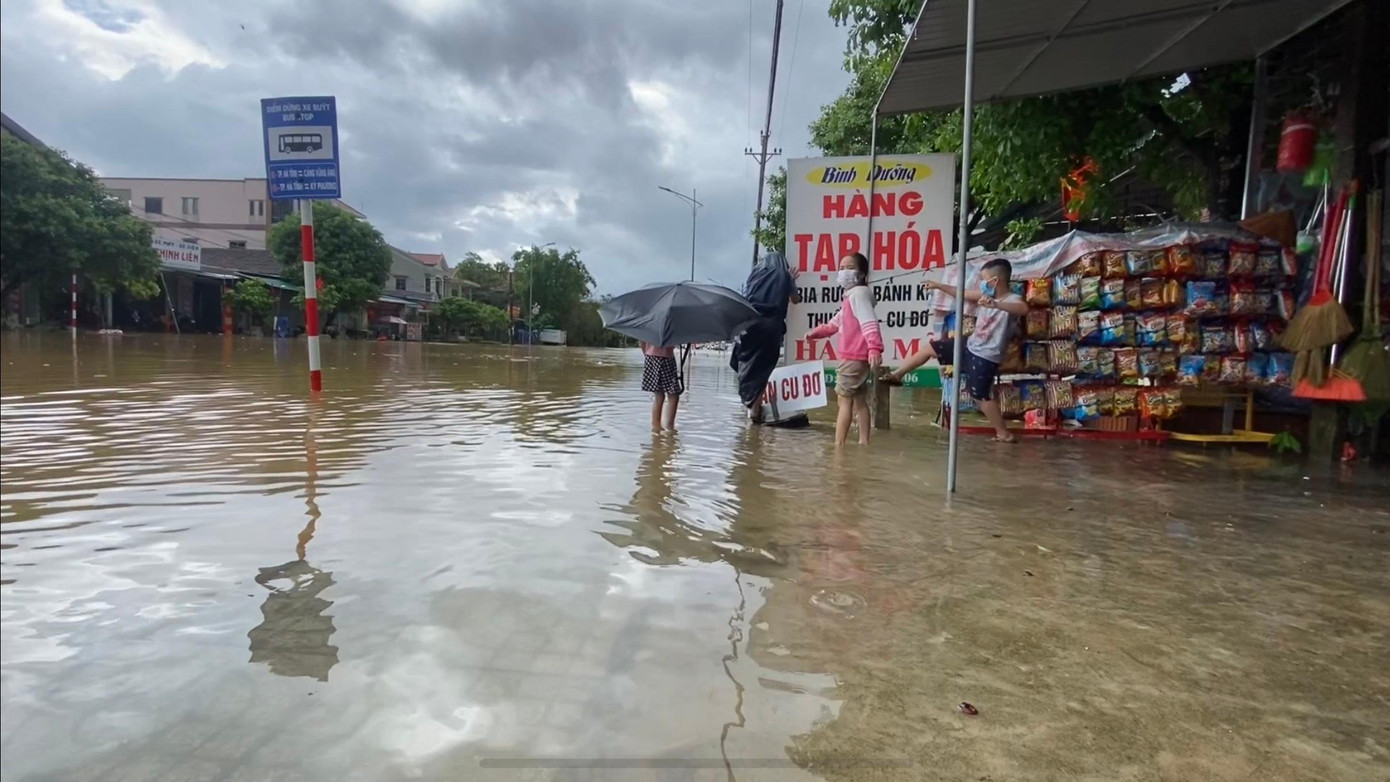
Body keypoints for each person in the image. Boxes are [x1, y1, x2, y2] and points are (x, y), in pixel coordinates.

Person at [885, 258, 1027, 442]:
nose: (982, 284)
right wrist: (938, 286)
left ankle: (1004, 433)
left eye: (984, 280)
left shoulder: (1012, 300)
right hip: (969, 345)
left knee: (980, 396)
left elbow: (1023, 309)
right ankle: (897, 375)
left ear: (995, 281)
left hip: (986, 355)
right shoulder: (985, 296)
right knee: (931, 348)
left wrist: (996, 305)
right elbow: (962, 293)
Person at [806, 252, 883, 446]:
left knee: (844, 401)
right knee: (859, 400)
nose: (843, 272)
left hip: (852, 357)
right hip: (859, 358)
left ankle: (838, 447)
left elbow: (869, 323)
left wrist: (875, 347)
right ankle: (863, 443)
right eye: (841, 268)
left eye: (849, 268)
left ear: (862, 274)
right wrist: (817, 333)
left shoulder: (858, 295)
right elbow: (835, 323)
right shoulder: (853, 297)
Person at [731, 251, 801, 423]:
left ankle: (750, 406)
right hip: (771, 329)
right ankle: (754, 410)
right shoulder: (784, 276)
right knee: (763, 369)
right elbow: (796, 299)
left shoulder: (754, 276)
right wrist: (791, 281)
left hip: (750, 325)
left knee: (747, 366)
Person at [640, 341, 683, 432]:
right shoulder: (670, 326)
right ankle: (669, 427)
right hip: (665, 357)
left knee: (659, 395)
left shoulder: (648, 326)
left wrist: (647, 353)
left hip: (650, 356)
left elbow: (642, 341)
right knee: (673, 394)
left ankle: (656, 426)